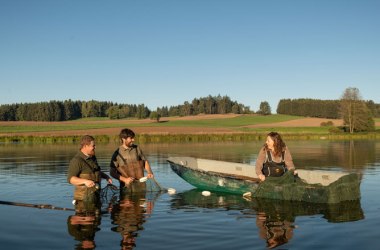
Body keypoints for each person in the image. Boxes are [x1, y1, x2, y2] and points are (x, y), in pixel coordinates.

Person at [67, 135, 112, 204]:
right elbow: (71, 179)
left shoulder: (93, 157)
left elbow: (95, 172)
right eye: (93, 146)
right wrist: (85, 181)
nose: (95, 147)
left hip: (96, 197)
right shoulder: (76, 160)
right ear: (85, 146)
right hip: (82, 200)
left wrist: (106, 177)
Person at [110, 128, 154, 193]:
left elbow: (145, 162)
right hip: (126, 189)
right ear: (123, 139)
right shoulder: (116, 154)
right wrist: (125, 179)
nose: (133, 140)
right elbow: (112, 173)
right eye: (131, 138)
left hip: (141, 186)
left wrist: (150, 172)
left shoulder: (137, 148)